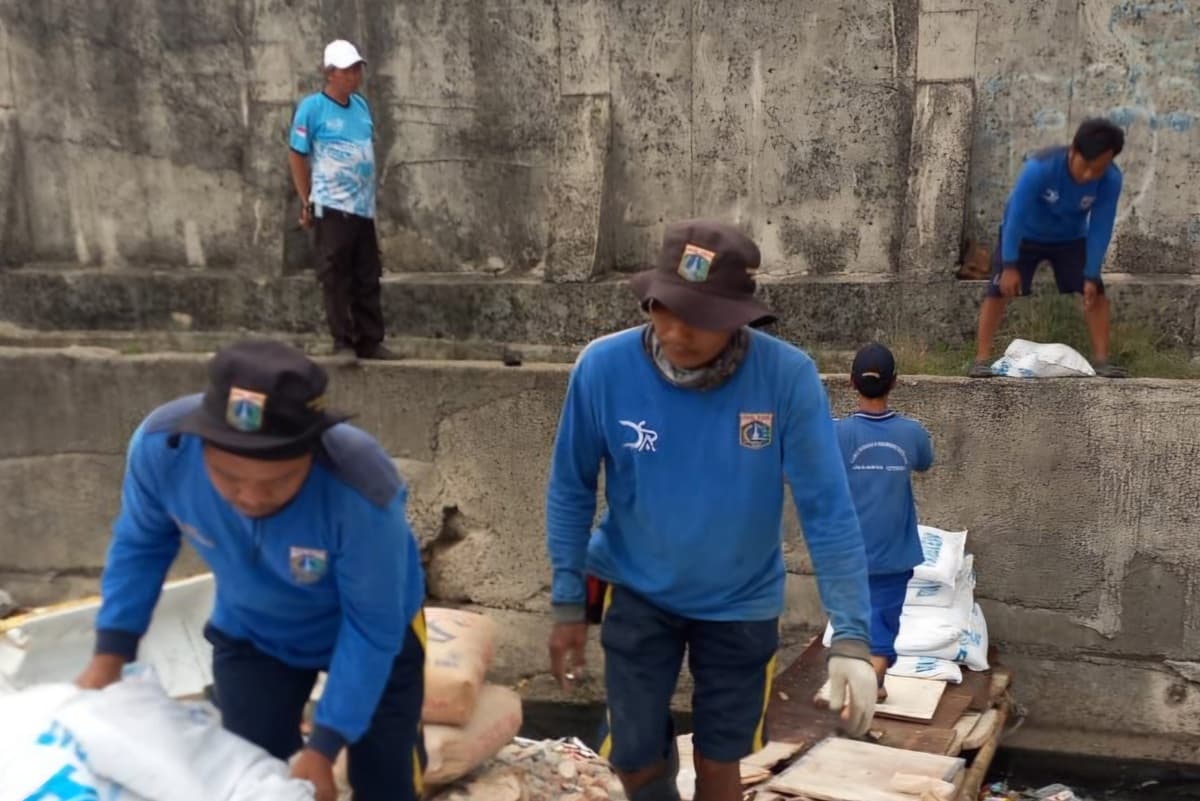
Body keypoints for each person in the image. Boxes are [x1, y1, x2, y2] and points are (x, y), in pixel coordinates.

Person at [545, 220, 877, 801]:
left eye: (700, 316)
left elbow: (826, 507)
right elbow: (571, 487)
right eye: (665, 309)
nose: (678, 331)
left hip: (740, 603)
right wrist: (569, 601)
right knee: (634, 757)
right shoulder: (603, 368)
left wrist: (850, 636)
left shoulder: (786, 378)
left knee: (721, 763)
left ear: (736, 316)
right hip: (636, 590)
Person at [75, 340, 426, 801]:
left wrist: (323, 747)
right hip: (254, 631)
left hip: (372, 633)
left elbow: (372, 626)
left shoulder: (360, 485)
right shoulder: (165, 449)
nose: (251, 497)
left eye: (278, 481)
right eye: (228, 477)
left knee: (386, 781)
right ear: (202, 444)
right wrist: (111, 654)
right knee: (249, 775)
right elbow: (141, 547)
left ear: (312, 451)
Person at [968, 117, 1127, 378]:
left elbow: (1101, 226)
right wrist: (1009, 264)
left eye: (1098, 169)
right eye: (1086, 166)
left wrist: (1091, 273)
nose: (1089, 175)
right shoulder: (1040, 167)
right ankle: (981, 359)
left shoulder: (1111, 179)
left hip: (1070, 238)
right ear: (1073, 151)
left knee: (1096, 293)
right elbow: (1015, 216)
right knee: (997, 291)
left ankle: (1101, 361)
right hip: (1025, 235)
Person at [288, 39, 399, 361]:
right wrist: (306, 199)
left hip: (362, 208)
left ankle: (370, 340)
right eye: (347, 70)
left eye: (357, 69)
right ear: (330, 73)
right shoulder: (312, 108)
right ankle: (343, 342)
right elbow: (297, 155)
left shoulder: (361, 106)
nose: (354, 76)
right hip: (332, 206)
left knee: (367, 274)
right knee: (336, 275)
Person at [835, 344, 934, 699]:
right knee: (881, 635)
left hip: (846, 556)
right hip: (894, 556)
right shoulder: (912, 433)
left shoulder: (835, 434)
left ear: (851, 382)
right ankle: (861, 697)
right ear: (895, 382)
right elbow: (924, 462)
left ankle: (867, 687)